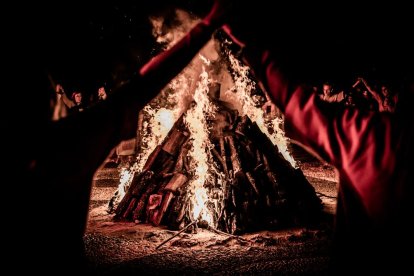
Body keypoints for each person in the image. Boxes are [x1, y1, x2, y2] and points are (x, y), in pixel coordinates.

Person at [5, 1, 225, 273]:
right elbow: (144, 83)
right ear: (49, 103)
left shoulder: (62, 141)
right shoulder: (69, 143)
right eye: (54, 92)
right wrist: (207, 26)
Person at [218, 8, 413, 274]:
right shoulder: (375, 133)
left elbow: (297, 103)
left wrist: (252, 47)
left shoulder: (374, 137)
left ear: (393, 96)